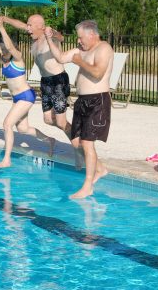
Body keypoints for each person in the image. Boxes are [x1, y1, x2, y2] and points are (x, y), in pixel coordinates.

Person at [45, 20, 113, 199]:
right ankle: (100, 169)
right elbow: (60, 58)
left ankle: (88, 185)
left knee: (87, 143)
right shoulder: (80, 52)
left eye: (81, 38)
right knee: (76, 142)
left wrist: (79, 62)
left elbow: (98, 72)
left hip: (97, 100)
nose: (79, 41)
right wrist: (49, 39)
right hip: (82, 101)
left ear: (92, 34)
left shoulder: (103, 48)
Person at [0, 18, 55, 168]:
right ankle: (49, 140)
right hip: (17, 98)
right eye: (1, 50)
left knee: (7, 124)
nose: (3, 52)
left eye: (5, 50)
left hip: (26, 96)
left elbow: (9, 46)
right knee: (23, 129)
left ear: (12, 50)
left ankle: (6, 159)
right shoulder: (4, 60)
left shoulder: (18, 59)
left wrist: (1, 27)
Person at [0, 15, 71, 140]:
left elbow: (61, 38)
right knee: (48, 119)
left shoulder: (48, 36)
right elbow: (19, 24)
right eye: (27, 25)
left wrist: (53, 33)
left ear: (40, 27)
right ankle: (74, 133)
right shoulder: (35, 37)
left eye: (30, 25)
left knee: (61, 122)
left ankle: (78, 141)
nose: (27, 28)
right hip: (45, 81)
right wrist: (4, 19)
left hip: (58, 80)